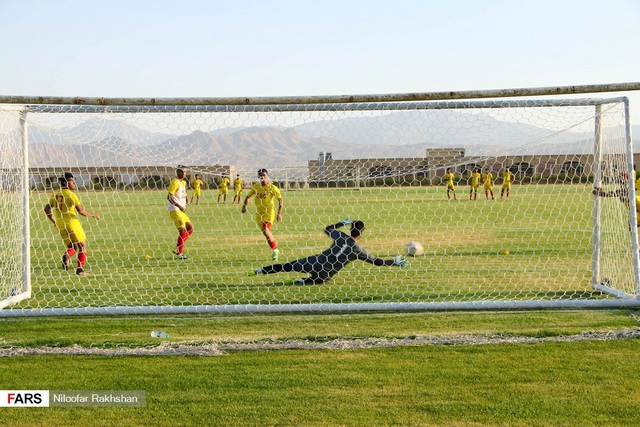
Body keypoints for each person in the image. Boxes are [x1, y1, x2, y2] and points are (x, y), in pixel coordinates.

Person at [247, 219, 408, 284]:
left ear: (350, 228)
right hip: (326, 273)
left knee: (287, 266)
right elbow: (377, 262)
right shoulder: (359, 250)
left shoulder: (340, 236)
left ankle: (259, 271)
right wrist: (393, 262)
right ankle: (301, 282)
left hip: (313, 262)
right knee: (320, 281)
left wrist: (341, 223)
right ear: (362, 233)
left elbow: (328, 229)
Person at [43, 172, 101, 276]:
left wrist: (54, 221)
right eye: (72, 181)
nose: (74, 183)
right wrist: (93, 215)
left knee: (73, 247)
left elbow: (47, 208)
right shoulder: (71, 195)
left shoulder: (55, 193)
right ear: (66, 182)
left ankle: (67, 255)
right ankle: (80, 269)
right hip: (72, 223)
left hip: (61, 225)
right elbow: (80, 211)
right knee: (82, 246)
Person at [241, 168, 283, 261]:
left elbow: (280, 200)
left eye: (264, 175)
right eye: (260, 175)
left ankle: (275, 250)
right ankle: (275, 249)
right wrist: (244, 206)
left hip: (269, 212)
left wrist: (279, 213)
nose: (262, 177)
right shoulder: (256, 187)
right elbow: (248, 197)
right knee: (266, 233)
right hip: (259, 213)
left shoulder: (272, 188)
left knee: (265, 229)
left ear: (267, 176)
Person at [167, 167, 194, 259]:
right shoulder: (175, 182)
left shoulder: (184, 182)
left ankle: (178, 246)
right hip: (175, 209)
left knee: (190, 228)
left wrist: (186, 198)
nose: (184, 173)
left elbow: (182, 193)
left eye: (185, 172)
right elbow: (169, 196)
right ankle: (179, 253)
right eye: (182, 171)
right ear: (177, 172)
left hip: (181, 211)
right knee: (182, 230)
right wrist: (179, 206)